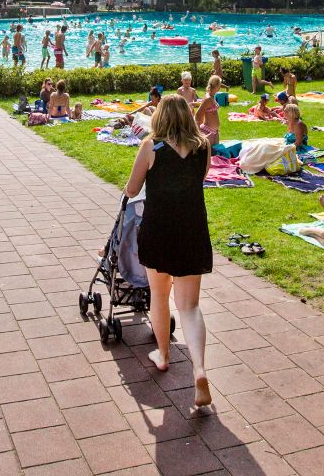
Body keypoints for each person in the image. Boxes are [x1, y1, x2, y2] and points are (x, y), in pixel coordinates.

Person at [124, 94, 214, 410]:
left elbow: (132, 189)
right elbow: (198, 180)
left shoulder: (151, 146)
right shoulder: (203, 147)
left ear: (160, 117)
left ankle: (163, 356)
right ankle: (199, 369)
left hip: (159, 229)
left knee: (159, 296)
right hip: (192, 229)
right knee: (189, 306)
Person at [196, 75, 222, 144]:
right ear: (216, 85)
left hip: (214, 131)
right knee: (210, 153)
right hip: (208, 131)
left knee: (216, 153)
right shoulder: (208, 98)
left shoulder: (212, 96)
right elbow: (198, 115)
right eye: (220, 84)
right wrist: (199, 133)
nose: (221, 86)